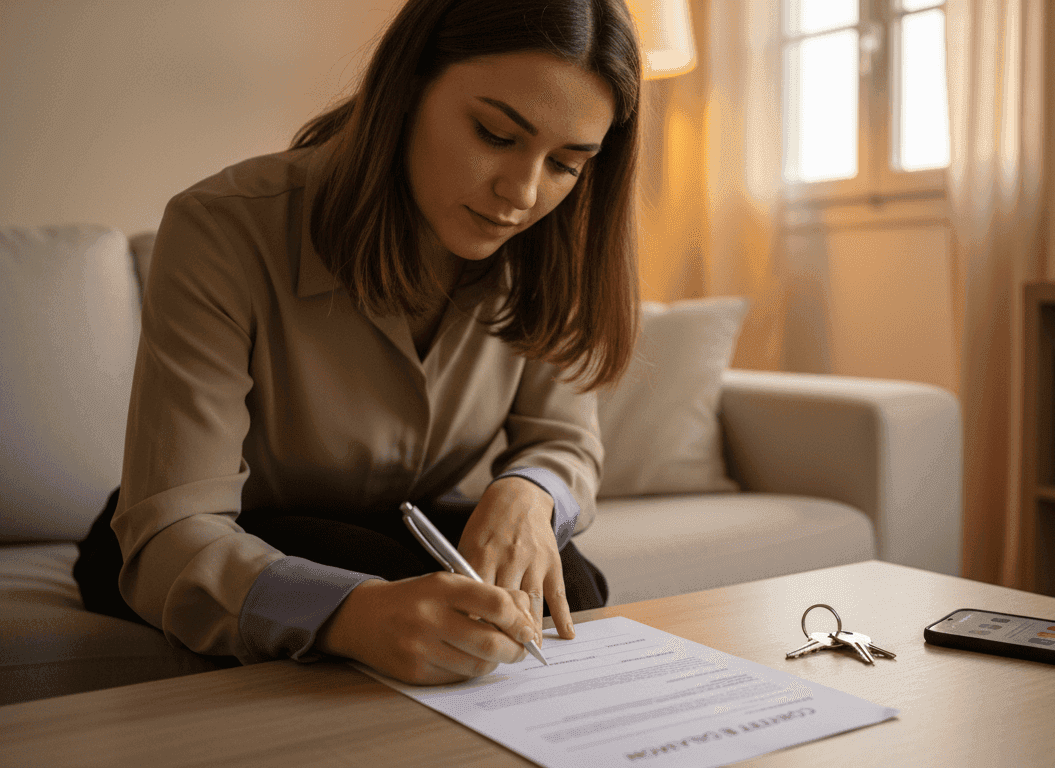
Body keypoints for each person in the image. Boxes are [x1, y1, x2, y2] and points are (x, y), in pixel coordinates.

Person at [73, 0, 642, 686]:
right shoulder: (221, 229)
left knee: (565, 585)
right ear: (406, 89)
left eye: (567, 164)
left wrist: (531, 492)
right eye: (495, 134)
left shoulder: (549, 249)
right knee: (427, 598)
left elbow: (567, 442)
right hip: (221, 530)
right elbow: (174, 532)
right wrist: (355, 615)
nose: (522, 194)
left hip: (393, 522)